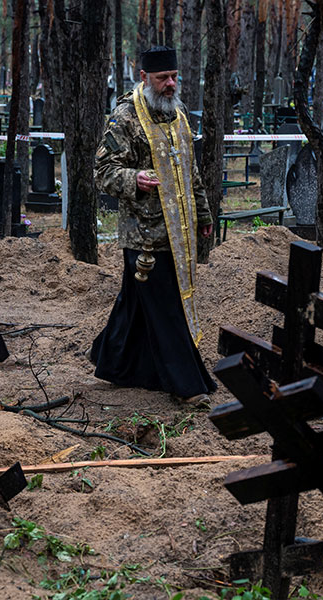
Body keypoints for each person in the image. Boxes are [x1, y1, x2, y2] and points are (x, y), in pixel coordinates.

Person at [89, 46, 216, 406]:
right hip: (145, 236)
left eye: (174, 77)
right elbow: (103, 172)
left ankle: (114, 362)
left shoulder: (179, 115)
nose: (170, 84)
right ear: (144, 78)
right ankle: (187, 384)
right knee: (166, 307)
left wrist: (203, 215)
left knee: (135, 304)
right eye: (163, 79)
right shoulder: (125, 118)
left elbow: (191, 171)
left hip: (180, 233)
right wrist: (135, 178)